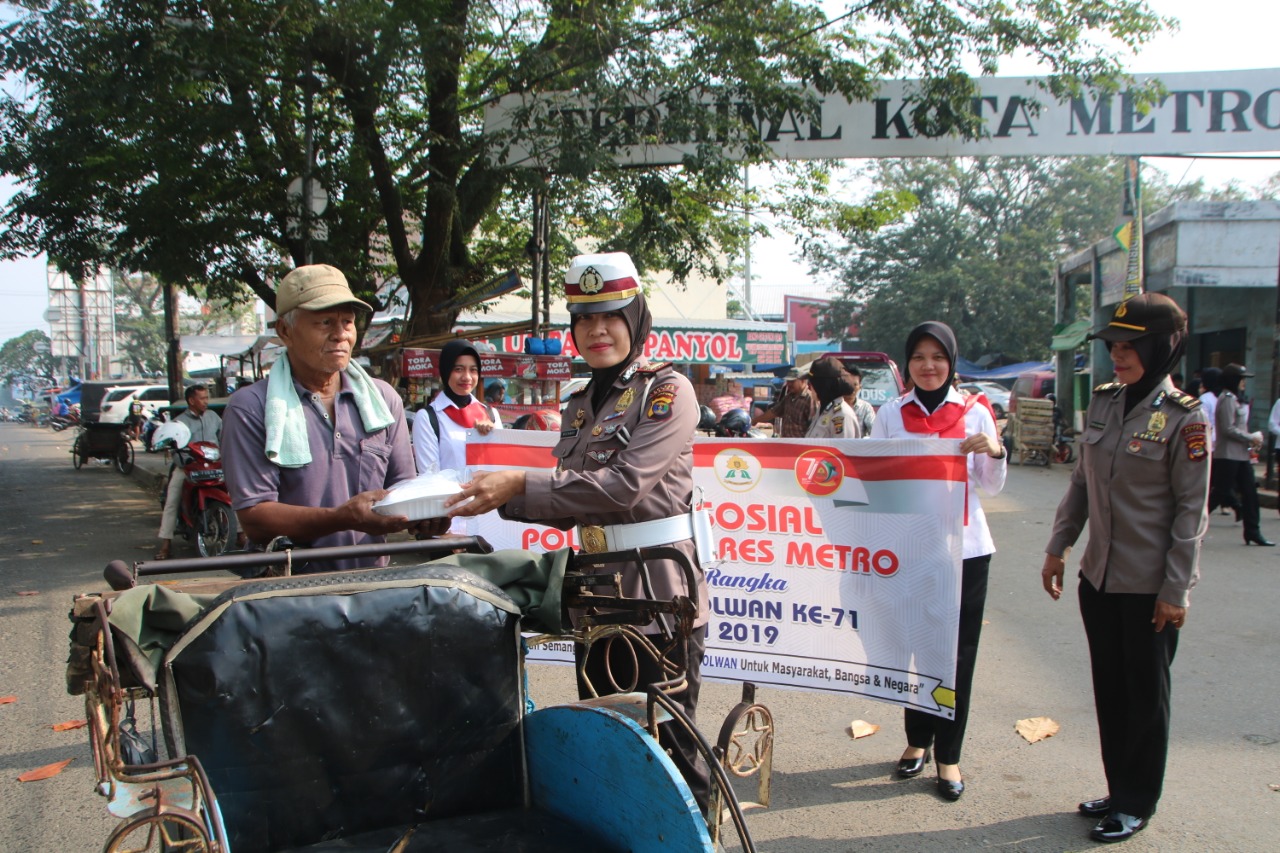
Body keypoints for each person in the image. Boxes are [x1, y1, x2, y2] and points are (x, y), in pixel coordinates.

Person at [445, 251, 711, 808]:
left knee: (671, 752)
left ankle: (701, 839)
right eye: (583, 319)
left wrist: (518, 484)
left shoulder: (667, 391)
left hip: (657, 591)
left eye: (610, 316)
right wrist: (483, 499)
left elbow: (621, 487)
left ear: (635, 318)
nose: (596, 330)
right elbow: (571, 499)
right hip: (594, 590)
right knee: (608, 742)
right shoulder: (580, 404)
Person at [1041, 292, 1210, 844]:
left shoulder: (1185, 418)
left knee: (1145, 695)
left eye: (1129, 346)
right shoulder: (1106, 402)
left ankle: (1138, 800)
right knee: (1111, 690)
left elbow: (1191, 513)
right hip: (1099, 580)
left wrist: (1176, 590)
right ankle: (1118, 789)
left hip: (1149, 589)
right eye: (1113, 345)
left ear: (1162, 347)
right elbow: (1082, 485)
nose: (1118, 355)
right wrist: (1058, 546)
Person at [222, 264, 437, 574]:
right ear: (285, 331)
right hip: (287, 589)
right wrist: (342, 516)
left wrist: (425, 514)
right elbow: (255, 519)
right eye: (324, 322)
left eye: (347, 322)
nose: (340, 335)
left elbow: (402, 486)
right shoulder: (252, 407)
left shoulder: (383, 400)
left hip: (373, 582)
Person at [869, 321, 1005, 802]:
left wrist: (996, 450)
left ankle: (949, 755)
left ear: (952, 363)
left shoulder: (975, 413)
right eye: (919, 357)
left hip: (965, 552)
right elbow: (877, 481)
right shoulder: (890, 412)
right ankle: (916, 740)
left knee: (955, 658)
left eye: (938, 358)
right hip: (910, 553)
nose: (929, 366)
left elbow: (990, 485)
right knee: (912, 647)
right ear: (907, 364)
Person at [411, 340, 501, 533]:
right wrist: (449, 531)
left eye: (473, 370)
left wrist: (494, 436)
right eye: (458, 369)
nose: (466, 377)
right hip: (450, 522)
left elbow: (502, 469)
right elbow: (430, 478)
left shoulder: (492, 415)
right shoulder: (428, 417)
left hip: (491, 523)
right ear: (445, 371)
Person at [155, 385, 223, 560]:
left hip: (214, 468)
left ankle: (239, 534)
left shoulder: (214, 418)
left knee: (236, 493)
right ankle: (165, 543)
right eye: (202, 398)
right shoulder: (179, 422)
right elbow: (174, 450)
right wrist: (184, 463)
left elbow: (223, 440)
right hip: (187, 469)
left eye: (207, 398)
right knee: (172, 500)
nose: (206, 402)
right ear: (191, 401)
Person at [1215, 363, 1271, 546]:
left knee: (1250, 493)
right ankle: (1190, 527)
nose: (1244, 383)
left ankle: (1253, 531)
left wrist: (1251, 442)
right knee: (1219, 493)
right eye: (1242, 379)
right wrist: (1250, 437)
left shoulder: (1238, 399)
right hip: (1227, 455)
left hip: (1240, 455)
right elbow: (1227, 429)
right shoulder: (1226, 399)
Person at [752, 365, 818, 437]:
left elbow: (814, 425)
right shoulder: (788, 398)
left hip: (801, 445)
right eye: (788, 381)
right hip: (786, 443)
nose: (789, 384)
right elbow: (774, 412)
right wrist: (755, 420)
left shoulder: (810, 399)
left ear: (802, 381)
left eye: (792, 381)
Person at [807, 357, 861, 439]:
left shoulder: (842, 415)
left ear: (823, 386)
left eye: (813, 384)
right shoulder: (823, 410)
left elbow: (842, 450)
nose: (809, 388)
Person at [843, 365, 876, 437]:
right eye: (848, 384)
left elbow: (874, 430)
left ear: (860, 387)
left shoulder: (865, 407)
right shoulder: (833, 406)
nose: (851, 388)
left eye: (855, 385)